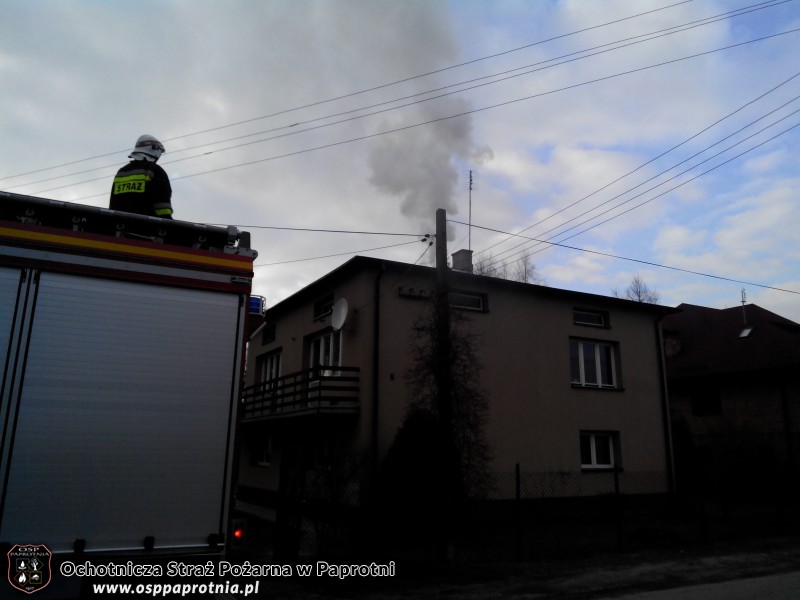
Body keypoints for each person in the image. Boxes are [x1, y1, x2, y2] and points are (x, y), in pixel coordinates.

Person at [109, 134, 173, 219]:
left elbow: (113, 205)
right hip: (147, 228)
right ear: (154, 149)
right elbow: (163, 209)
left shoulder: (121, 172)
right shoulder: (155, 171)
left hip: (120, 226)